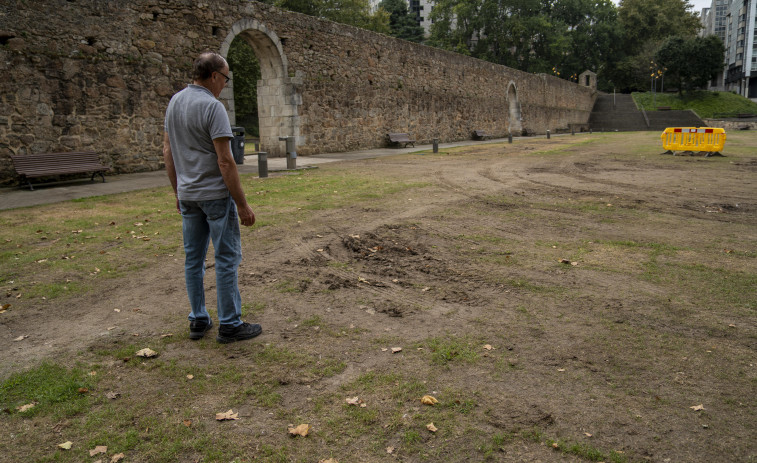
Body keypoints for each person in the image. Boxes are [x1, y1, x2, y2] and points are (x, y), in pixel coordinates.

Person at [163, 51, 261, 344]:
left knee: (193, 259)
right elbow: (225, 161)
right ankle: (230, 323)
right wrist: (242, 204)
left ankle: (198, 319)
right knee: (226, 257)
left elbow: (168, 152)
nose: (225, 85)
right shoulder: (212, 106)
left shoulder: (174, 103)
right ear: (215, 76)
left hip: (189, 195)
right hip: (215, 196)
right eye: (226, 78)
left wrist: (177, 190)